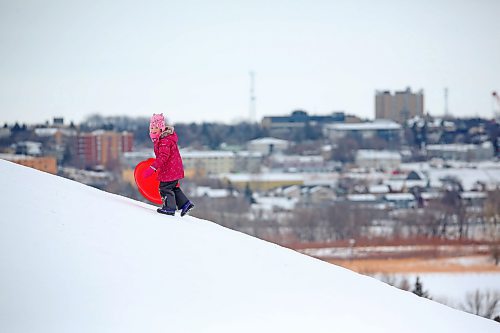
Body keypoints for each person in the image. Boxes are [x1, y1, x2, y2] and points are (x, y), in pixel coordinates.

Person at [143, 113, 195, 216]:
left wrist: (153, 167)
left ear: (161, 128)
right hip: (173, 168)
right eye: (152, 127)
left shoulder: (164, 141)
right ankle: (185, 204)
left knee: (165, 188)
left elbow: (163, 156)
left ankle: (169, 208)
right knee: (173, 187)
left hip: (170, 169)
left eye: (156, 128)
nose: (153, 130)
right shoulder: (163, 139)